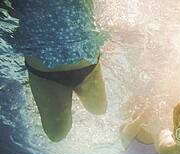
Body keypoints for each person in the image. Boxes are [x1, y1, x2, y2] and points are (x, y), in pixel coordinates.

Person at [6, 0, 109, 142]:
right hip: (46, 73)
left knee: (99, 109)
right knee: (56, 134)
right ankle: (53, 99)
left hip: (85, 62)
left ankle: (61, 99)